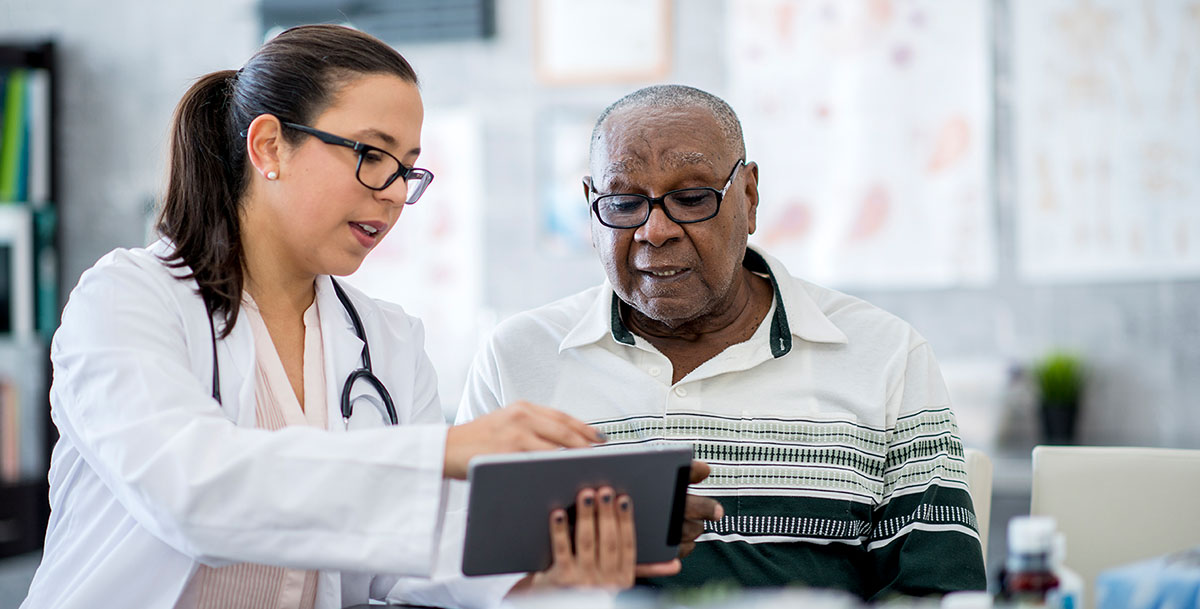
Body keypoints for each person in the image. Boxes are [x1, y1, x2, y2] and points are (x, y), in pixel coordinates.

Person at [22, 26, 679, 609]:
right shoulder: (126, 299)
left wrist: (542, 569)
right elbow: (193, 491)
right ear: (270, 146)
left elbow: (409, 549)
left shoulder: (387, 341)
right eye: (371, 154)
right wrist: (443, 451)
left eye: (408, 170)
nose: (394, 193)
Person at [457, 84, 988, 600]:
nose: (654, 230)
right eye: (623, 203)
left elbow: (937, 593)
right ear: (591, 207)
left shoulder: (885, 355)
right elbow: (452, 576)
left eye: (690, 199)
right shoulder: (516, 358)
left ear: (750, 197)